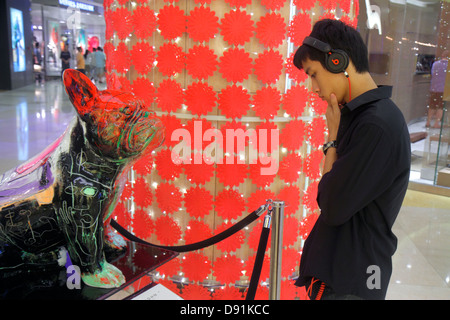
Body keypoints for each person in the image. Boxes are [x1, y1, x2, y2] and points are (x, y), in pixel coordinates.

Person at [292, 19, 411, 300]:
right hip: (345, 273)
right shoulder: (363, 116)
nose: (313, 88)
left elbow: (331, 205)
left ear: (337, 61)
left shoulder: (375, 125)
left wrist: (332, 139)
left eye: (313, 74)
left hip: (353, 281)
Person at [426, 50, 448, 128]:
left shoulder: (435, 64)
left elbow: (433, 74)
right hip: (443, 90)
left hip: (434, 88)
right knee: (440, 107)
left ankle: (428, 122)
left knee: (432, 105)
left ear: (442, 55)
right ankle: (436, 123)